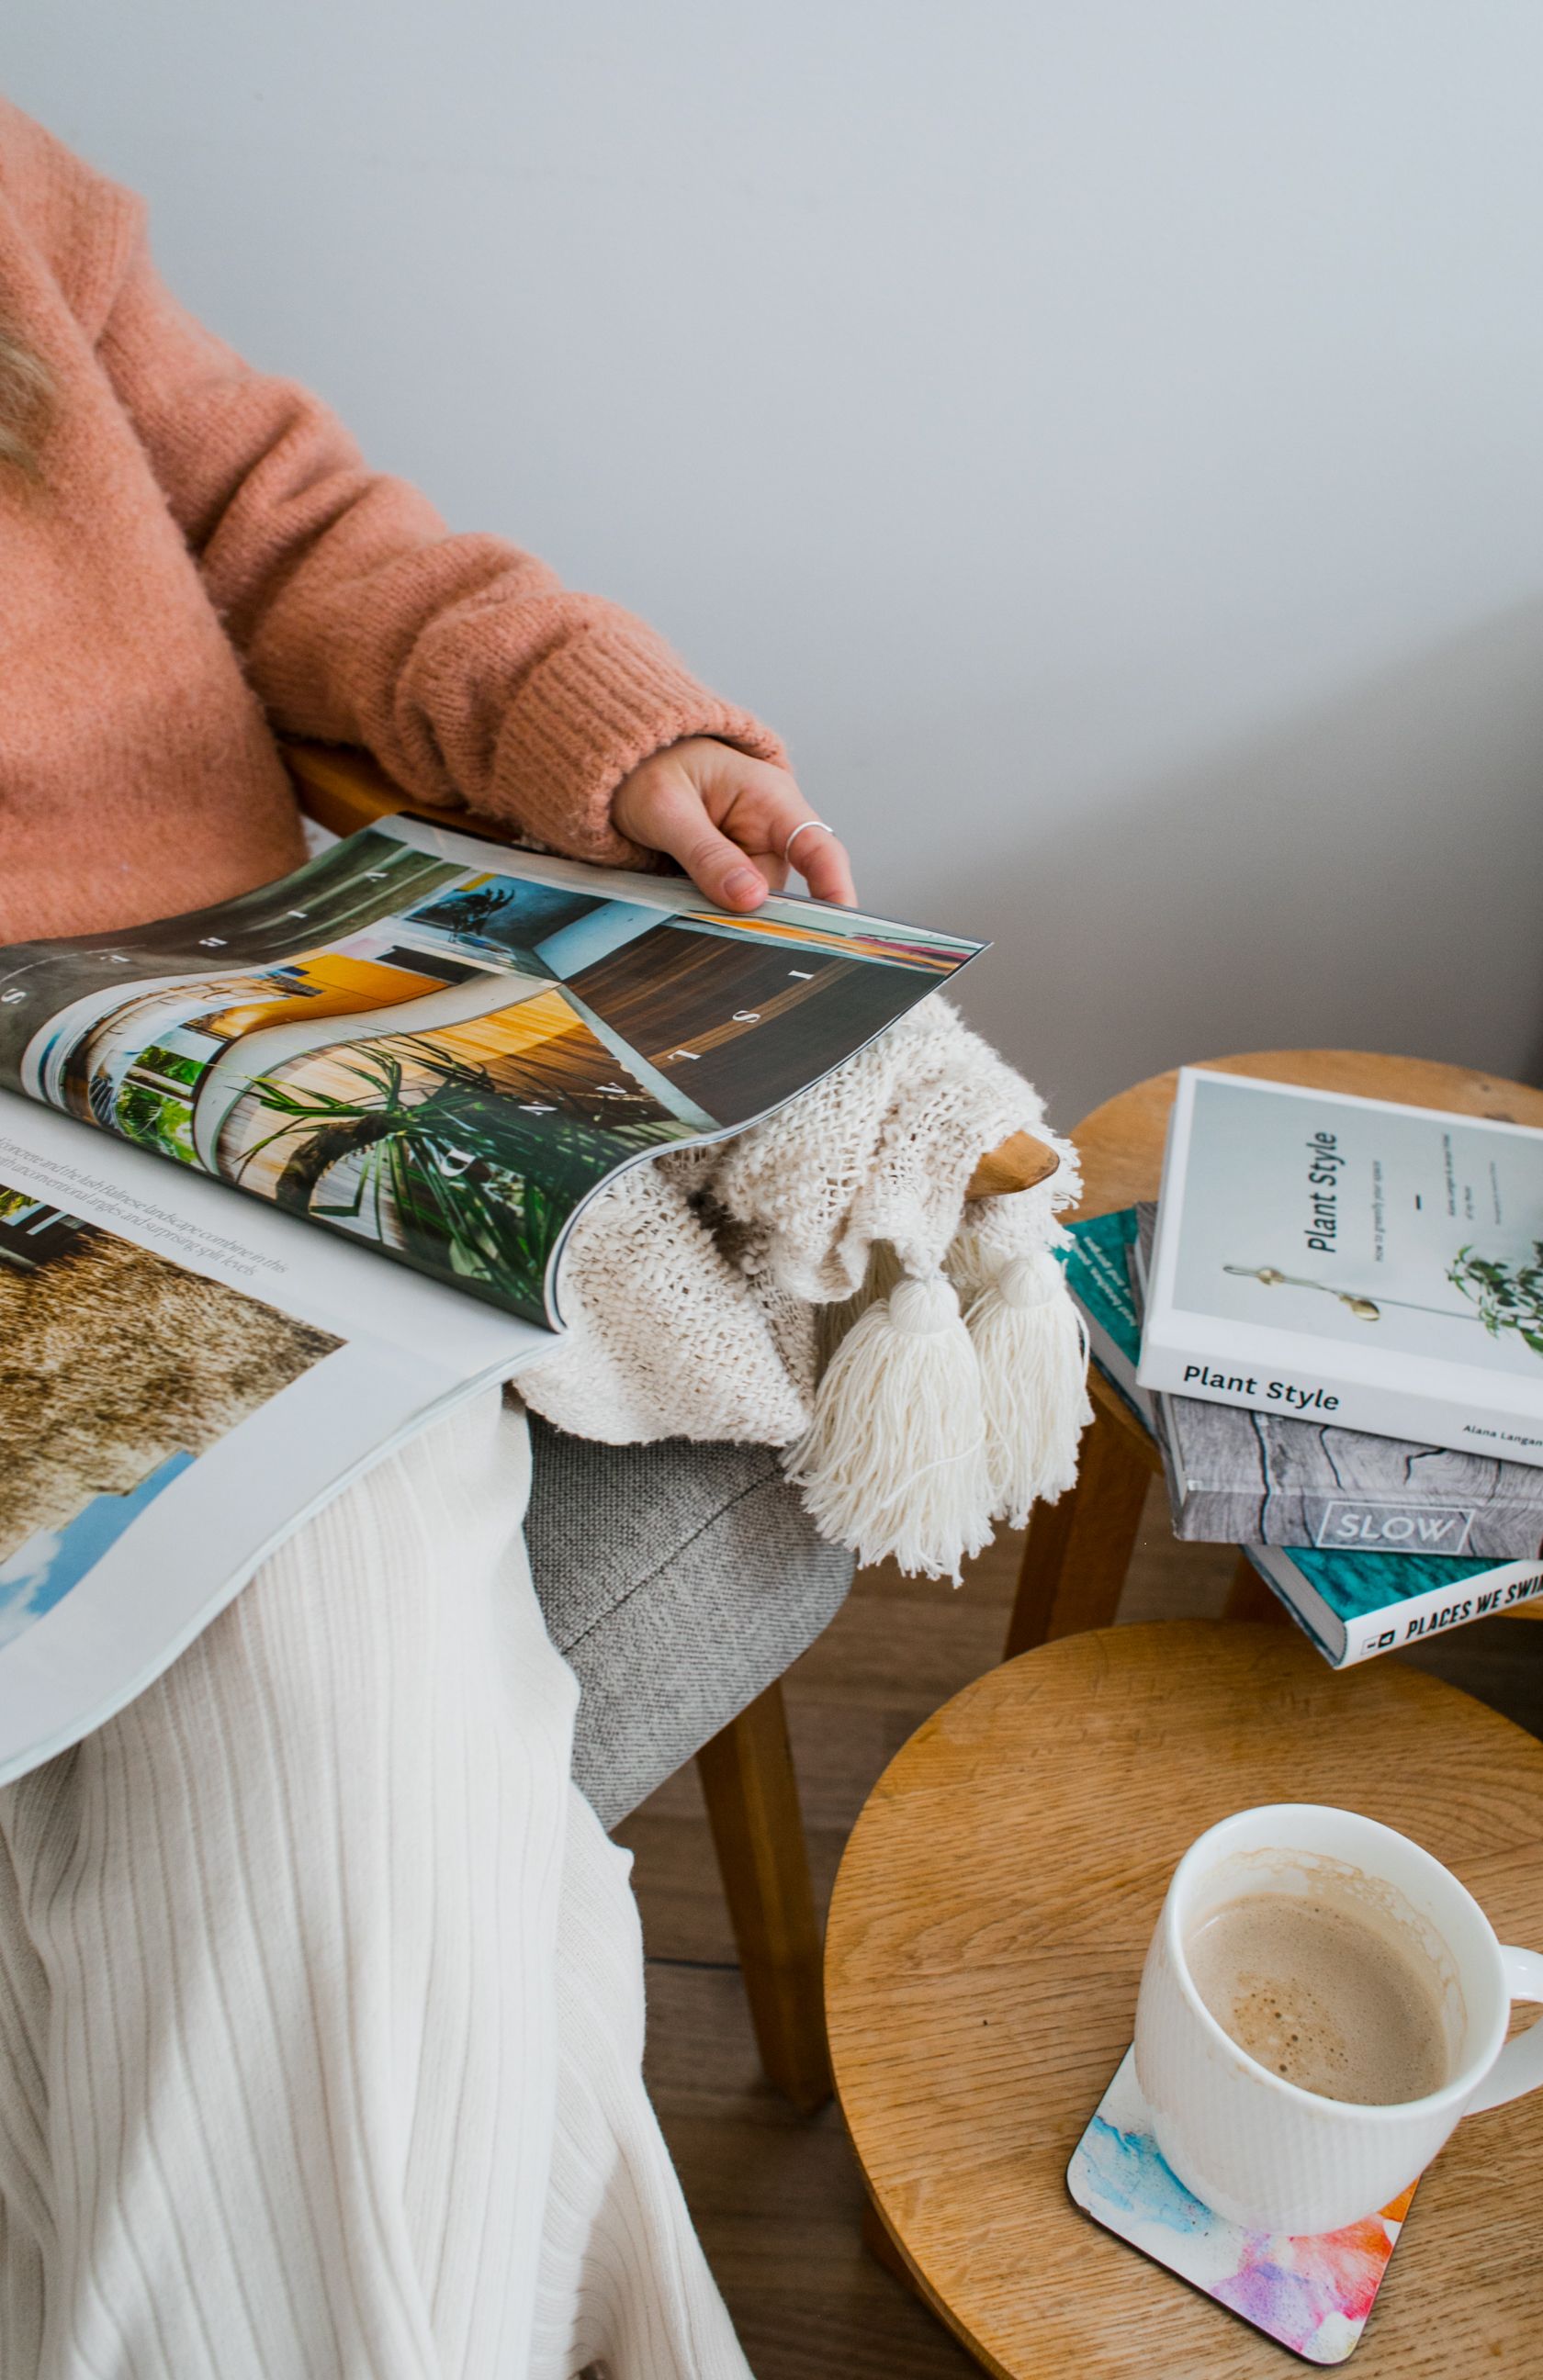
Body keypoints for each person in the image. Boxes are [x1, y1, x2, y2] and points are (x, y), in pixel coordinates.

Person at [0, 96, 853, 2380]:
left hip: (199, 1084)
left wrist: (591, 712)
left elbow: (284, 519)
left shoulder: (12, 193)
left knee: (338, 1723)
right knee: (403, 1851)